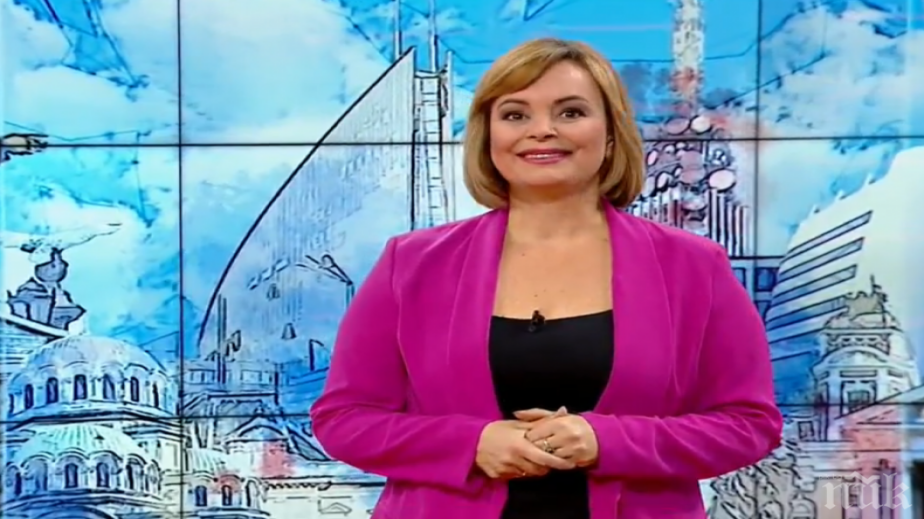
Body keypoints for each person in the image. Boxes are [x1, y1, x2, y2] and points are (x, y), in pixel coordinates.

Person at [309, 37, 782, 519]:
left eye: (570, 112)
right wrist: (471, 444)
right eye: (515, 115)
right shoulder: (411, 263)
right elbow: (345, 419)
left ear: (612, 133)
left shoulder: (693, 266)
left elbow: (748, 424)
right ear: (488, 136)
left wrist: (608, 440)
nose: (542, 131)